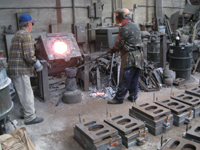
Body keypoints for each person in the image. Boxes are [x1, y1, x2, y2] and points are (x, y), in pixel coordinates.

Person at [7, 13, 44, 125]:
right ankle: (30, 117)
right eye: (32, 23)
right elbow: (29, 56)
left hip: (13, 69)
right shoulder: (26, 35)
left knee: (21, 93)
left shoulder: (17, 34)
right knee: (27, 93)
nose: (32, 26)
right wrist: (38, 65)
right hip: (20, 70)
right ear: (28, 24)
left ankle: (25, 112)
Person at [107, 8, 144, 104]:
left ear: (124, 18)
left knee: (125, 78)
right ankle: (133, 96)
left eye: (120, 21)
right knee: (134, 78)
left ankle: (119, 98)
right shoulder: (136, 26)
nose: (120, 23)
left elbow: (119, 45)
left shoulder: (124, 29)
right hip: (138, 56)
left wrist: (111, 50)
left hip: (130, 57)